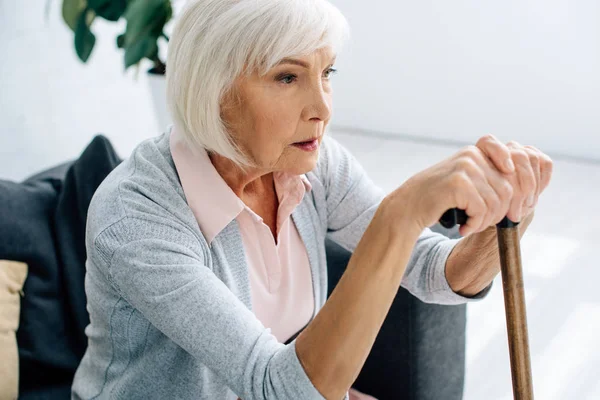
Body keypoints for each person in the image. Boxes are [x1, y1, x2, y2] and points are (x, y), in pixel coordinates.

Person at [71, 0, 553, 399]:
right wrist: (400, 213)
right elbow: (279, 386)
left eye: (327, 72)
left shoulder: (313, 166)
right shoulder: (135, 218)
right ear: (214, 91)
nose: (322, 107)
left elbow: (433, 271)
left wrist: (515, 204)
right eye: (287, 77)